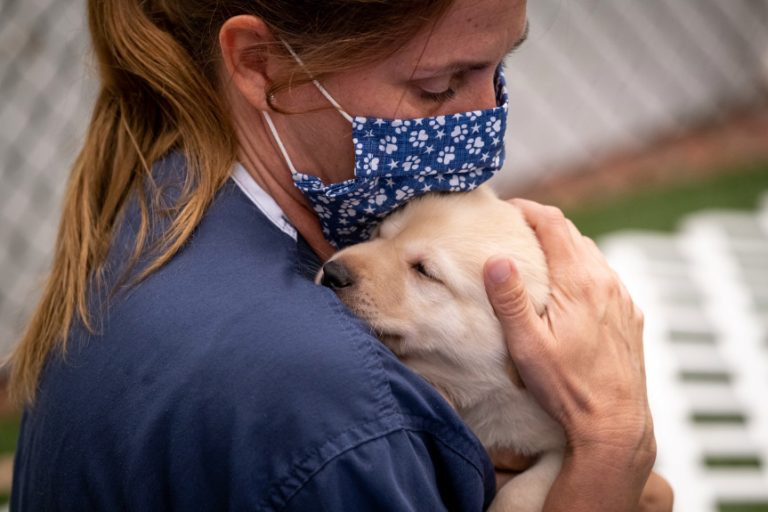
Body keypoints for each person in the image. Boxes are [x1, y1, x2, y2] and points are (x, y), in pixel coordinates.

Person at [7, 0, 672, 510]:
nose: (484, 116)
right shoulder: (333, 410)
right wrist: (610, 453)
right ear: (260, 63)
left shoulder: (164, 202)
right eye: (439, 85)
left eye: (499, 68)